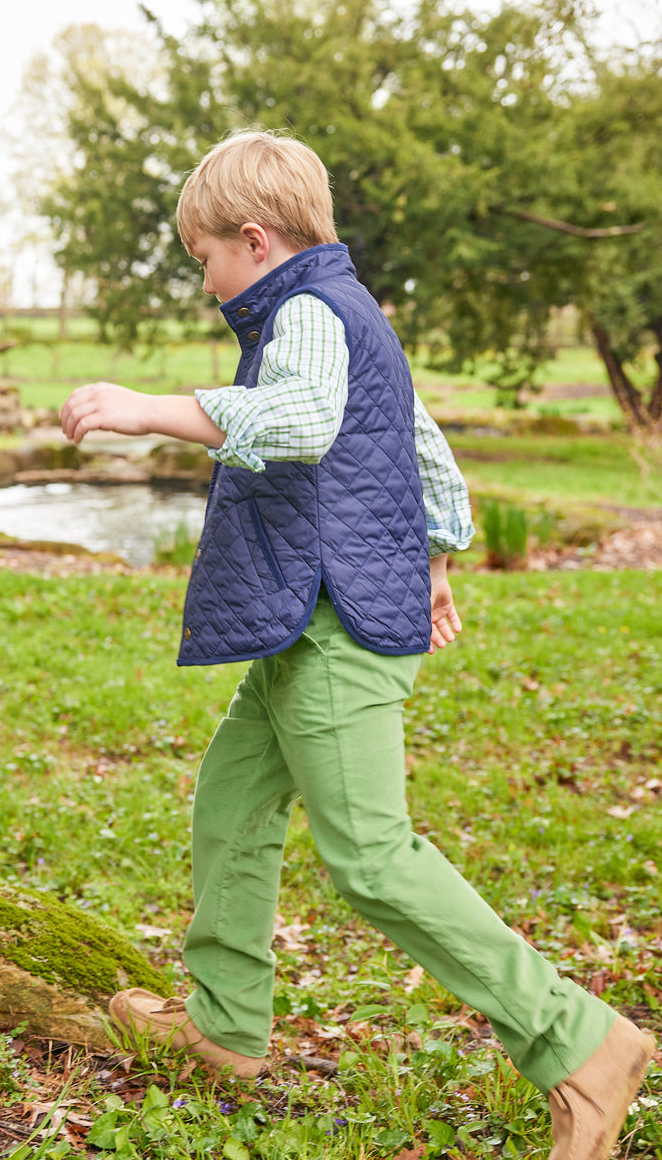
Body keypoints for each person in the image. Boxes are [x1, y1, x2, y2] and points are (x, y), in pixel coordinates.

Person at [59, 131, 654, 1160]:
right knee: (232, 800)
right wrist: (435, 558)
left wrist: (147, 409)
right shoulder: (348, 309)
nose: (204, 279)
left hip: (332, 626)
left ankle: (583, 1042)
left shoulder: (306, 313)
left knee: (372, 855)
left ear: (254, 239)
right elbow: (417, 440)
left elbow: (298, 421)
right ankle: (227, 1022)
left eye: (204, 255)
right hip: (316, 614)